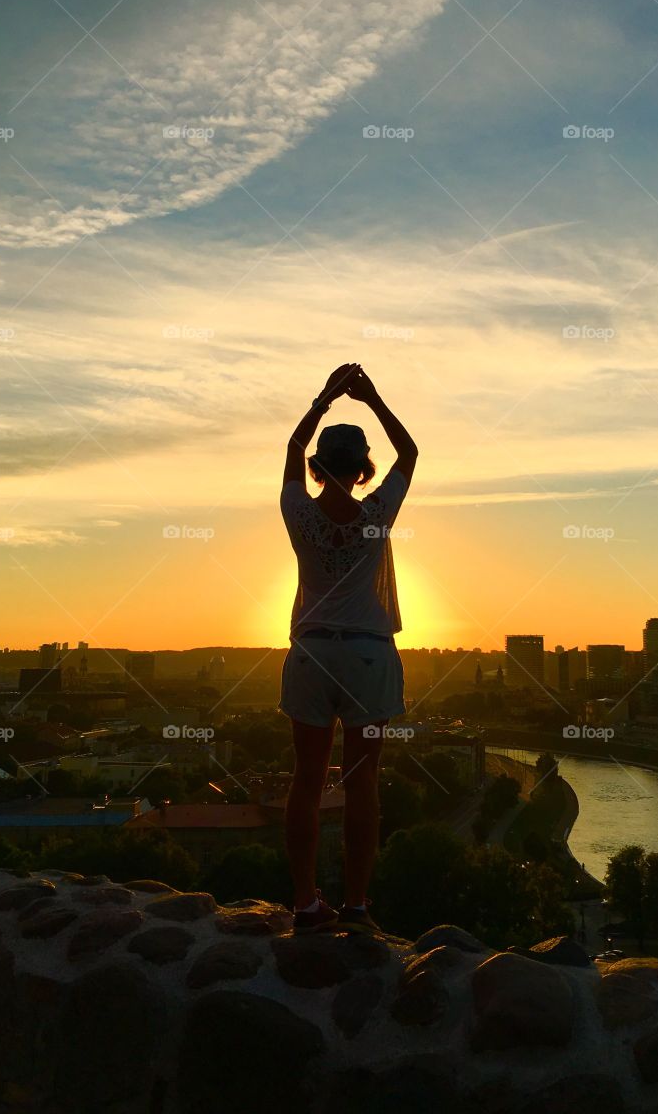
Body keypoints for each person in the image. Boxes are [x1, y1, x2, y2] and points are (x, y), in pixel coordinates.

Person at [280, 364, 417, 933]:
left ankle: (306, 903)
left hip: (310, 652)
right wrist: (373, 398)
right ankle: (357, 903)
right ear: (363, 468)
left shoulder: (299, 513)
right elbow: (409, 453)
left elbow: (291, 447)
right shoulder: (379, 512)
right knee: (363, 782)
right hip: (367, 653)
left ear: (317, 467)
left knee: (306, 783)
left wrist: (324, 398)